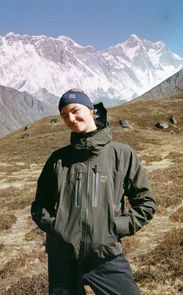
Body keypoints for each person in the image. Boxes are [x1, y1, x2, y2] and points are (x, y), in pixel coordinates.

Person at [31, 89, 156, 295]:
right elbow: (39, 205)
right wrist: (57, 228)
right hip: (62, 257)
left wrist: (115, 227)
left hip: (105, 255)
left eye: (75, 110)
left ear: (91, 111)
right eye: (64, 115)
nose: (70, 118)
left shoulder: (121, 154)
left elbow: (146, 203)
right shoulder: (58, 159)